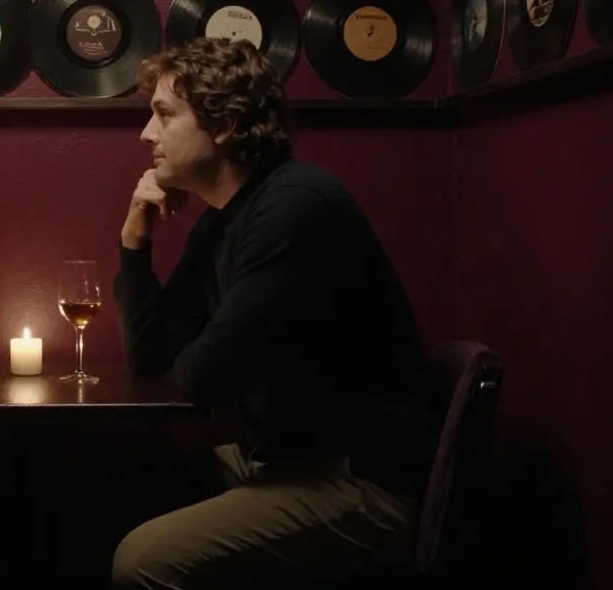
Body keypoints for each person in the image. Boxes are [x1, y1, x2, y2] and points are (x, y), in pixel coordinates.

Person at [109, 37, 446, 588]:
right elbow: (153, 357)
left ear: (224, 125)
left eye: (164, 115)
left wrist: (198, 354)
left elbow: (205, 376)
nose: (147, 133)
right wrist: (134, 238)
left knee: (141, 562)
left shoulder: (294, 206)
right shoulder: (222, 220)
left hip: (363, 482)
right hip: (287, 458)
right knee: (122, 471)